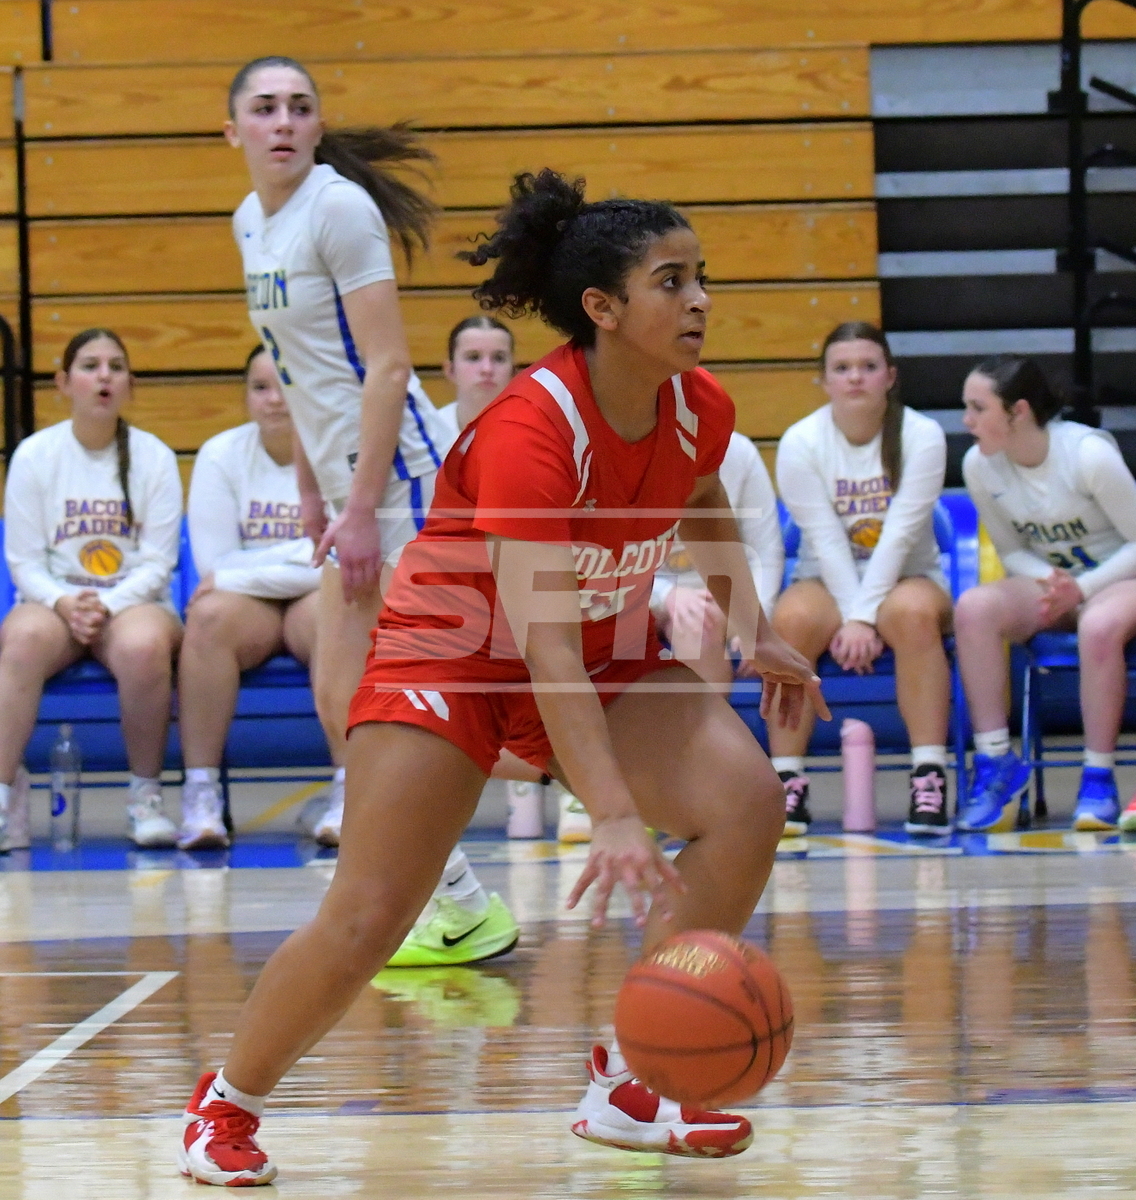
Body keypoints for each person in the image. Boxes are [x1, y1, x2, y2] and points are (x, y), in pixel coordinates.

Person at [178, 168, 828, 1186]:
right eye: (671, 282)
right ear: (602, 308)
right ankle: (228, 1101)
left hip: (600, 645)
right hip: (454, 655)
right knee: (372, 914)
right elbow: (543, 648)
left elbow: (701, 497)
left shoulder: (695, 402)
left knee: (746, 804)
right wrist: (612, 813)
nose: (699, 300)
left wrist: (755, 630)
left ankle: (635, 1081)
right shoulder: (531, 429)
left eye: (701, 277)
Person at [224, 56, 516, 963]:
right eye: (264, 108)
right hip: (350, 484)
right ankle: (458, 902)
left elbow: (387, 366)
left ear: (317, 127)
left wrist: (358, 505)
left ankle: (636, 803)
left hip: (404, 482)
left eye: (298, 107)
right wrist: (313, 487)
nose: (282, 121)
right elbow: (295, 365)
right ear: (232, 131)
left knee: (461, 701)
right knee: (343, 698)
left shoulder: (339, 209)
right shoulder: (249, 222)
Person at [0, 329, 183, 848]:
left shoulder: (155, 458)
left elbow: (159, 563)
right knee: (21, 639)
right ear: (63, 383)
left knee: (144, 646)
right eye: (90, 365)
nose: (104, 376)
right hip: (54, 601)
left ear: (130, 385)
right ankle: (3, 795)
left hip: (133, 602)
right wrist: (64, 602)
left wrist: (104, 604)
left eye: (116, 366)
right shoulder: (34, 456)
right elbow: (24, 561)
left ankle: (145, 798)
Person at [772, 322, 952, 836]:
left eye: (868, 367)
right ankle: (786, 781)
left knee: (912, 614)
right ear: (824, 380)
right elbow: (826, 541)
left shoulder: (922, 435)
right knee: (791, 620)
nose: (855, 377)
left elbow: (899, 536)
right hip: (825, 578)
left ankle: (929, 775)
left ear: (889, 376)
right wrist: (857, 616)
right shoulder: (801, 441)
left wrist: (862, 617)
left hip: (909, 575)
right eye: (842, 368)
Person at [954, 356, 1136, 833]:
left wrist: (1084, 588)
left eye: (978, 408)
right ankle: (996, 763)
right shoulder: (979, 465)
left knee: (1098, 625)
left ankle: (1098, 779)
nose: (967, 421)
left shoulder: (1088, 455)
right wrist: (1054, 584)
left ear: (1018, 411)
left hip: (1118, 580)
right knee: (974, 609)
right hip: (1056, 586)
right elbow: (1012, 551)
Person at [435, 314, 590, 841]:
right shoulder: (421, 439)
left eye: (498, 358)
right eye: (473, 358)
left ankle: (574, 778)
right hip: (448, 593)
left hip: (522, 590)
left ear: (515, 368)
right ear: (448, 369)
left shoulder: (536, 432)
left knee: (554, 628)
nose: (486, 369)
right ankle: (545, 769)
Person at [177, 346, 323, 849]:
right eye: (261, 388)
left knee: (342, 609)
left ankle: (351, 790)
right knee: (208, 617)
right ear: (245, 397)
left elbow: (337, 557)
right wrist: (296, 561)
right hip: (250, 612)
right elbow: (212, 566)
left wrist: (245, 569)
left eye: (284, 385)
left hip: (313, 601)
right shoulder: (220, 454)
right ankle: (201, 795)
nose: (274, 399)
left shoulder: (335, 452)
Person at [651, 431, 784, 688]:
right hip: (635, 591)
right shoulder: (622, 453)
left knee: (697, 629)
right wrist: (666, 593)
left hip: (717, 595)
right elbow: (608, 562)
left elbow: (766, 552)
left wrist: (758, 625)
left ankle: (704, 714)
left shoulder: (739, 451)